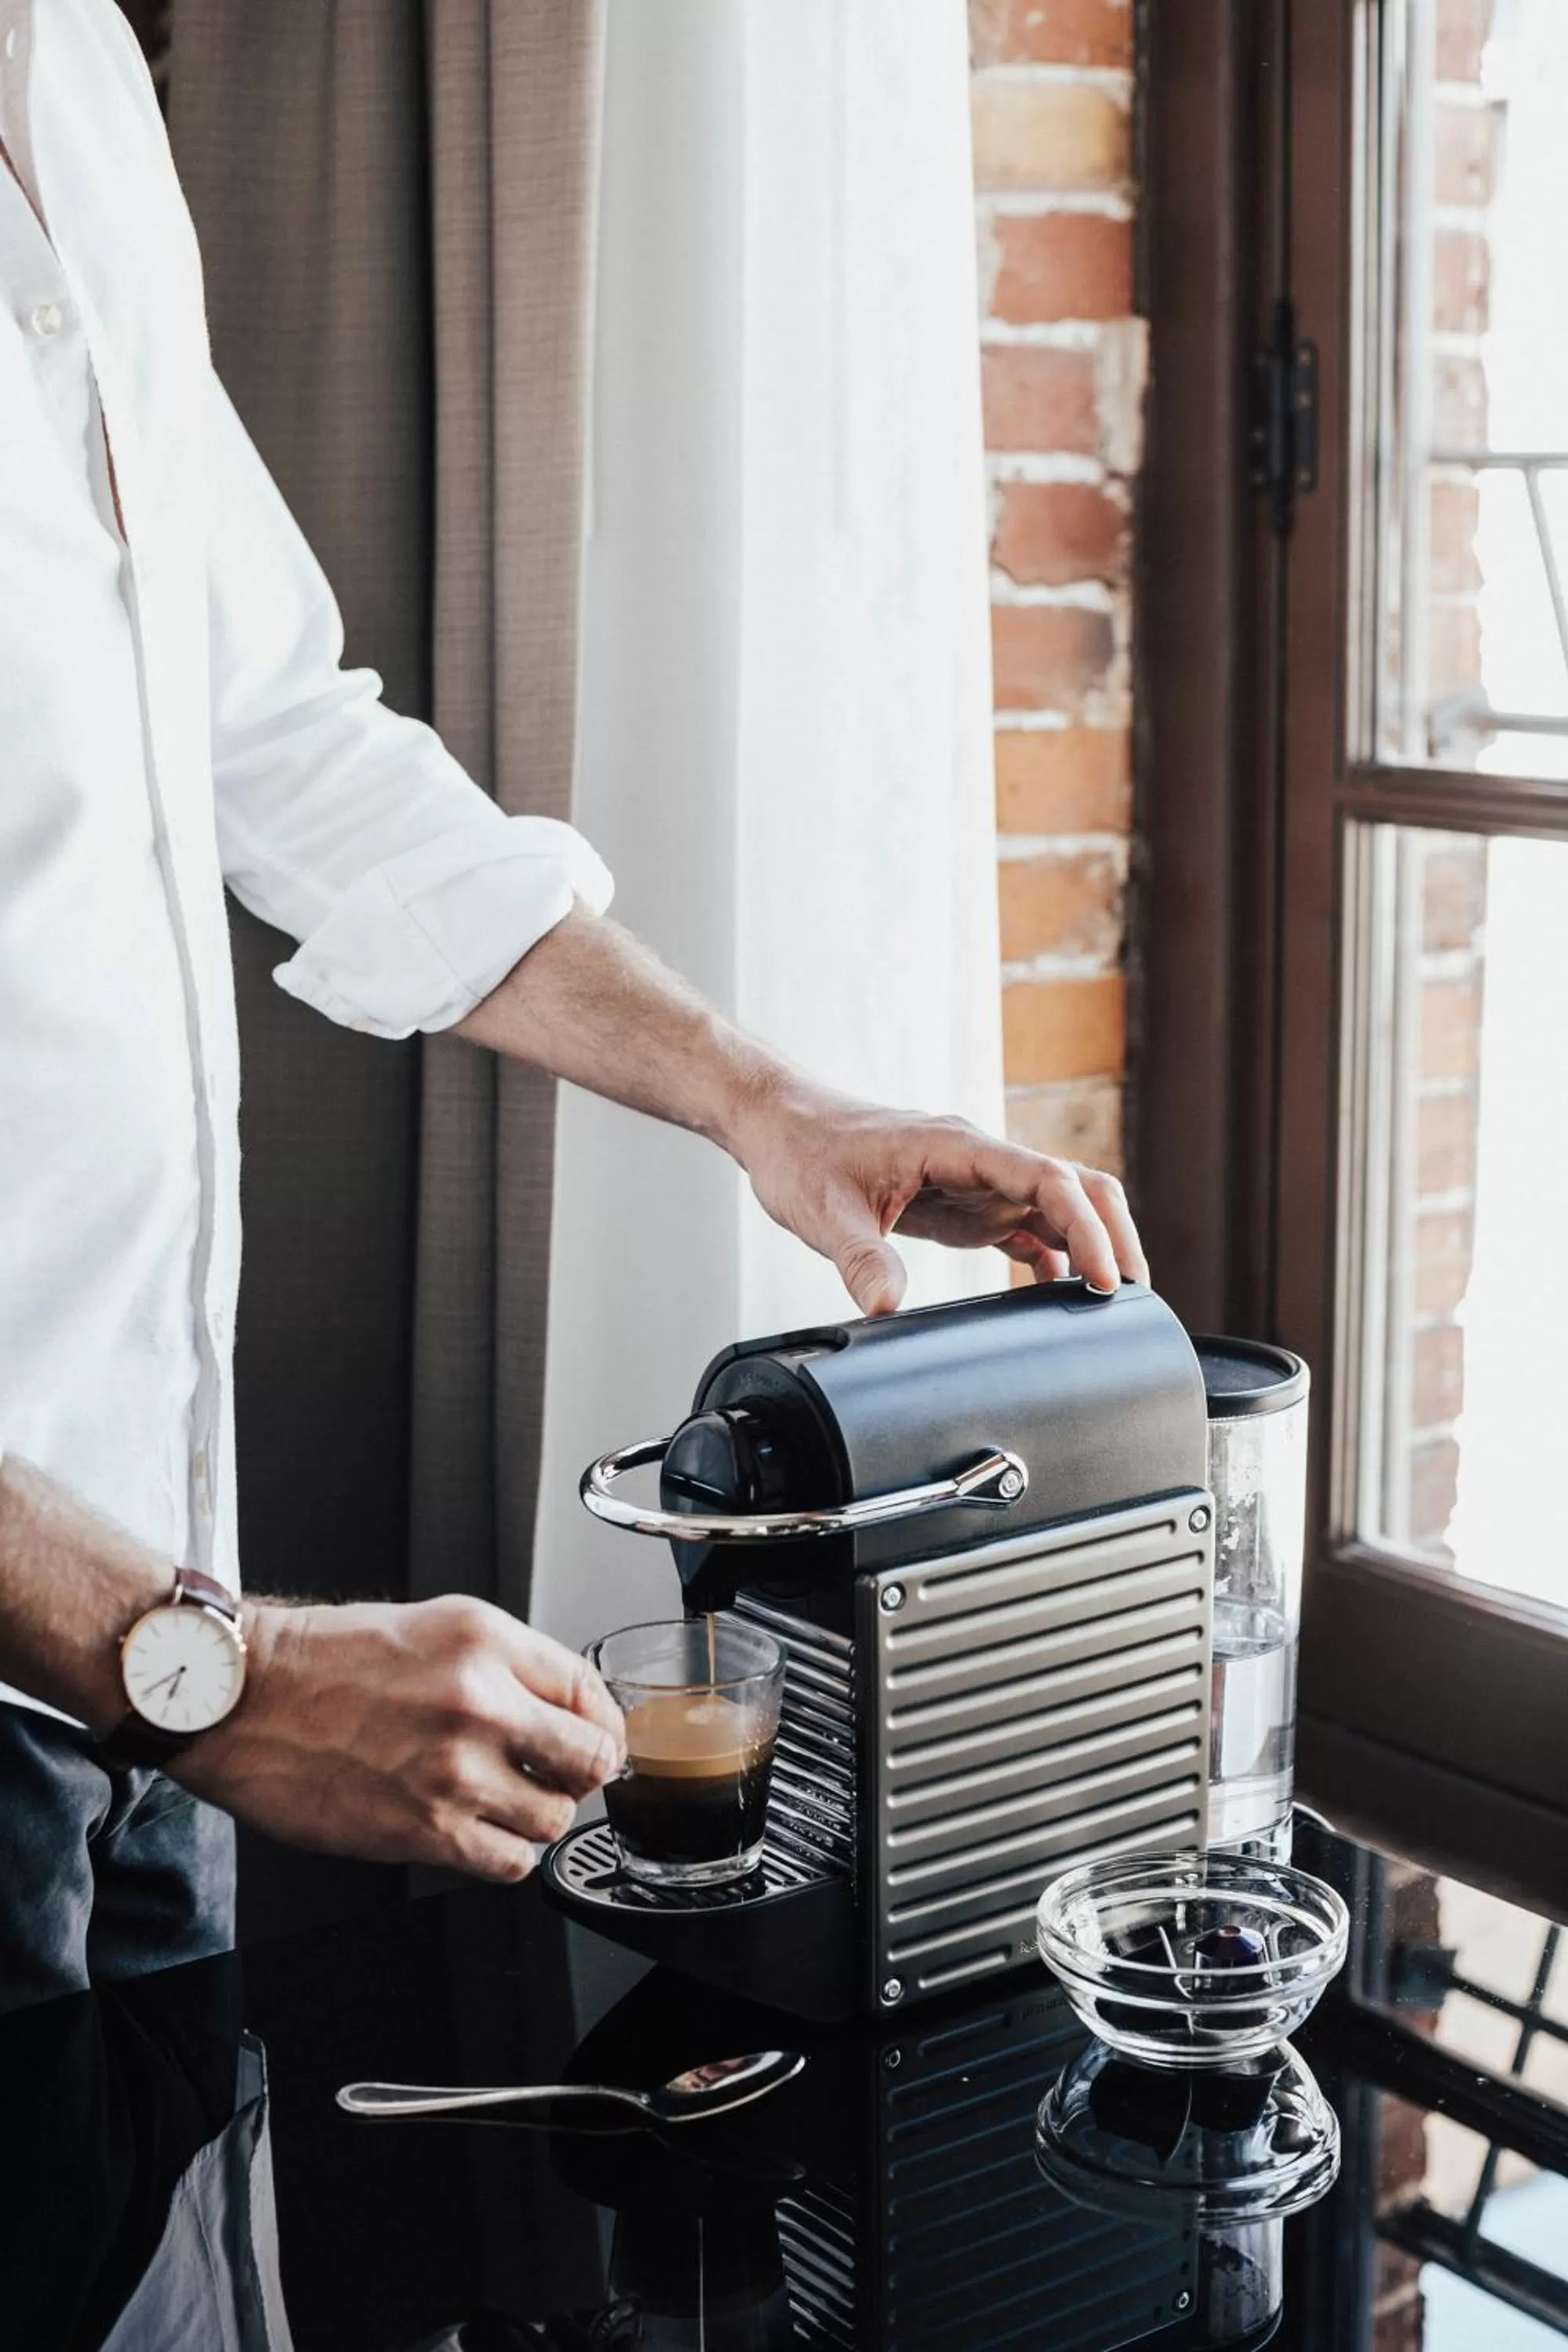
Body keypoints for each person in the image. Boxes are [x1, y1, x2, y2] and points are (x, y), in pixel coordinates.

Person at [0, 0, 1147, 2009]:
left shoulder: (75, 75)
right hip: (116, 1651)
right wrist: (209, 1671)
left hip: (141, 1645)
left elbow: (275, 738)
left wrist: (761, 1096)